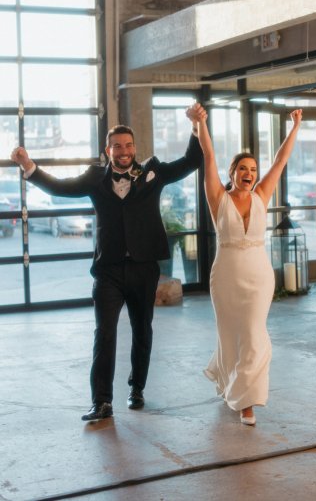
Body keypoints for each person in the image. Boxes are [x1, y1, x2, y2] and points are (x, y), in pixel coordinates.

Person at [11, 111, 203, 421]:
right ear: (107, 149)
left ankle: (137, 387)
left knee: (143, 330)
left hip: (143, 267)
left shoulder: (153, 173)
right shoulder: (94, 177)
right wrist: (28, 166)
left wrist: (196, 127)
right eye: (117, 146)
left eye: (128, 145)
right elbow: (60, 187)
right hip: (108, 270)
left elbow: (190, 162)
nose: (124, 151)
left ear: (134, 148)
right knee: (105, 333)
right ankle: (101, 401)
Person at [187, 103, 302, 426]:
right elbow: (208, 156)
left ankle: (245, 401)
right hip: (226, 276)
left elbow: (281, 161)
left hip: (259, 276)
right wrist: (201, 124)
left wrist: (294, 128)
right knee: (230, 335)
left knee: (253, 334)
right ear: (231, 173)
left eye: (252, 169)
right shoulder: (218, 198)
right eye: (242, 169)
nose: (249, 173)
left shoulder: (262, 194)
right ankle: (229, 384)